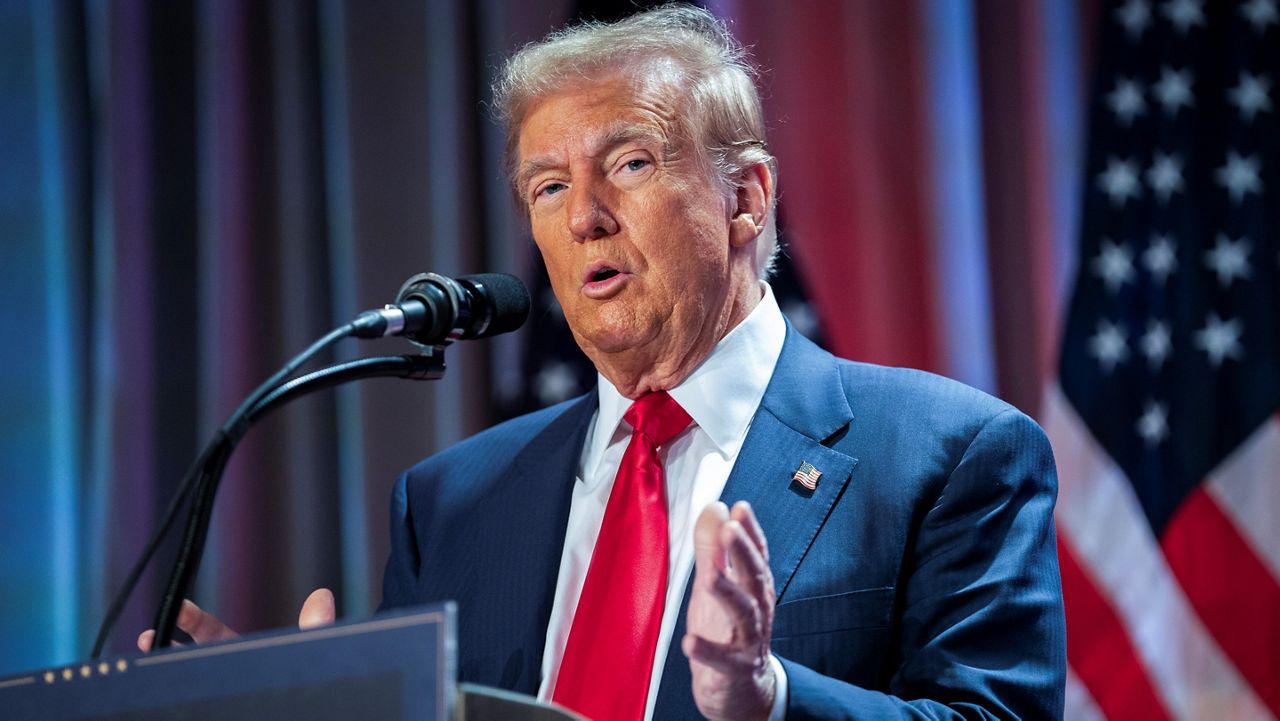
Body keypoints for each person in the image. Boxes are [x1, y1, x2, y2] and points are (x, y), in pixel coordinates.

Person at [143, 5, 1066, 719]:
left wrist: (770, 698)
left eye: (627, 164)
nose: (583, 214)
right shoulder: (449, 504)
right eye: (548, 186)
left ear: (745, 198)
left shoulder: (951, 456)